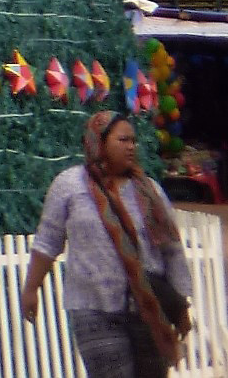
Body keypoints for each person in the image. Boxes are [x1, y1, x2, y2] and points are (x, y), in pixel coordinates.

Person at [23, 108, 193, 377]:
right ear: (98, 142)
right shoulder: (69, 186)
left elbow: (171, 251)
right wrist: (31, 288)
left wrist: (181, 306)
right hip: (93, 310)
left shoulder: (149, 190)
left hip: (148, 307)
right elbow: (47, 241)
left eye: (133, 141)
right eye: (122, 140)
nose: (131, 147)